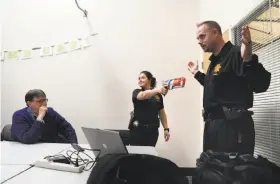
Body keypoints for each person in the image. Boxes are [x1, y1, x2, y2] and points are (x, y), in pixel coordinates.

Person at [187, 21, 271, 154]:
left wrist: (248, 60)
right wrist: (196, 73)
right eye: (198, 38)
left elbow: (261, 84)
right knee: (212, 170)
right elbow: (214, 87)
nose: (199, 41)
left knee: (232, 172)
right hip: (213, 126)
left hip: (232, 127)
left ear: (215, 33)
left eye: (202, 36)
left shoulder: (237, 54)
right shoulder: (215, 61)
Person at [11, 89, 78, 144]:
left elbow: (67, 128)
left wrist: (73, 144)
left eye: (45, 100)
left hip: (48, 149)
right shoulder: (19, 116)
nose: (44, 103)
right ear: (29, 103)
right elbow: (28, 139)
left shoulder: (50, 112)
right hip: (27, 150)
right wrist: (40, 117)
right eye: (40, 101)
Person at [129, 71, 170, 147]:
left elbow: (161, 112)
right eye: (139, 78)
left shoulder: (158, 96)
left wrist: (166, 128)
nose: (140, 80)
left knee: (149, 155)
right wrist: (157, 90)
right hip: (138, 130)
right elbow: (143, 95)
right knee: (136, 156)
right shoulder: (137, 92)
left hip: (152, 131)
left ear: (150, 79)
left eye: (143, 77)